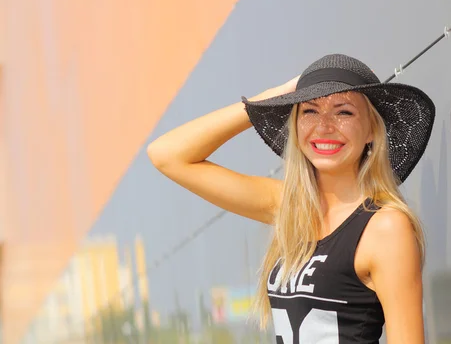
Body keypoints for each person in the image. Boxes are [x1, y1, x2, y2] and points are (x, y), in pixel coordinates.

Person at [147, 54, 435, 343]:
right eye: (310, 111)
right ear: (295, 124)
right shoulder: (289, 206)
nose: (324, 126)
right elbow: (167, 155)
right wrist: (268, 99)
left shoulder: (385, 227)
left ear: (372, 129)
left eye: (343, 112)